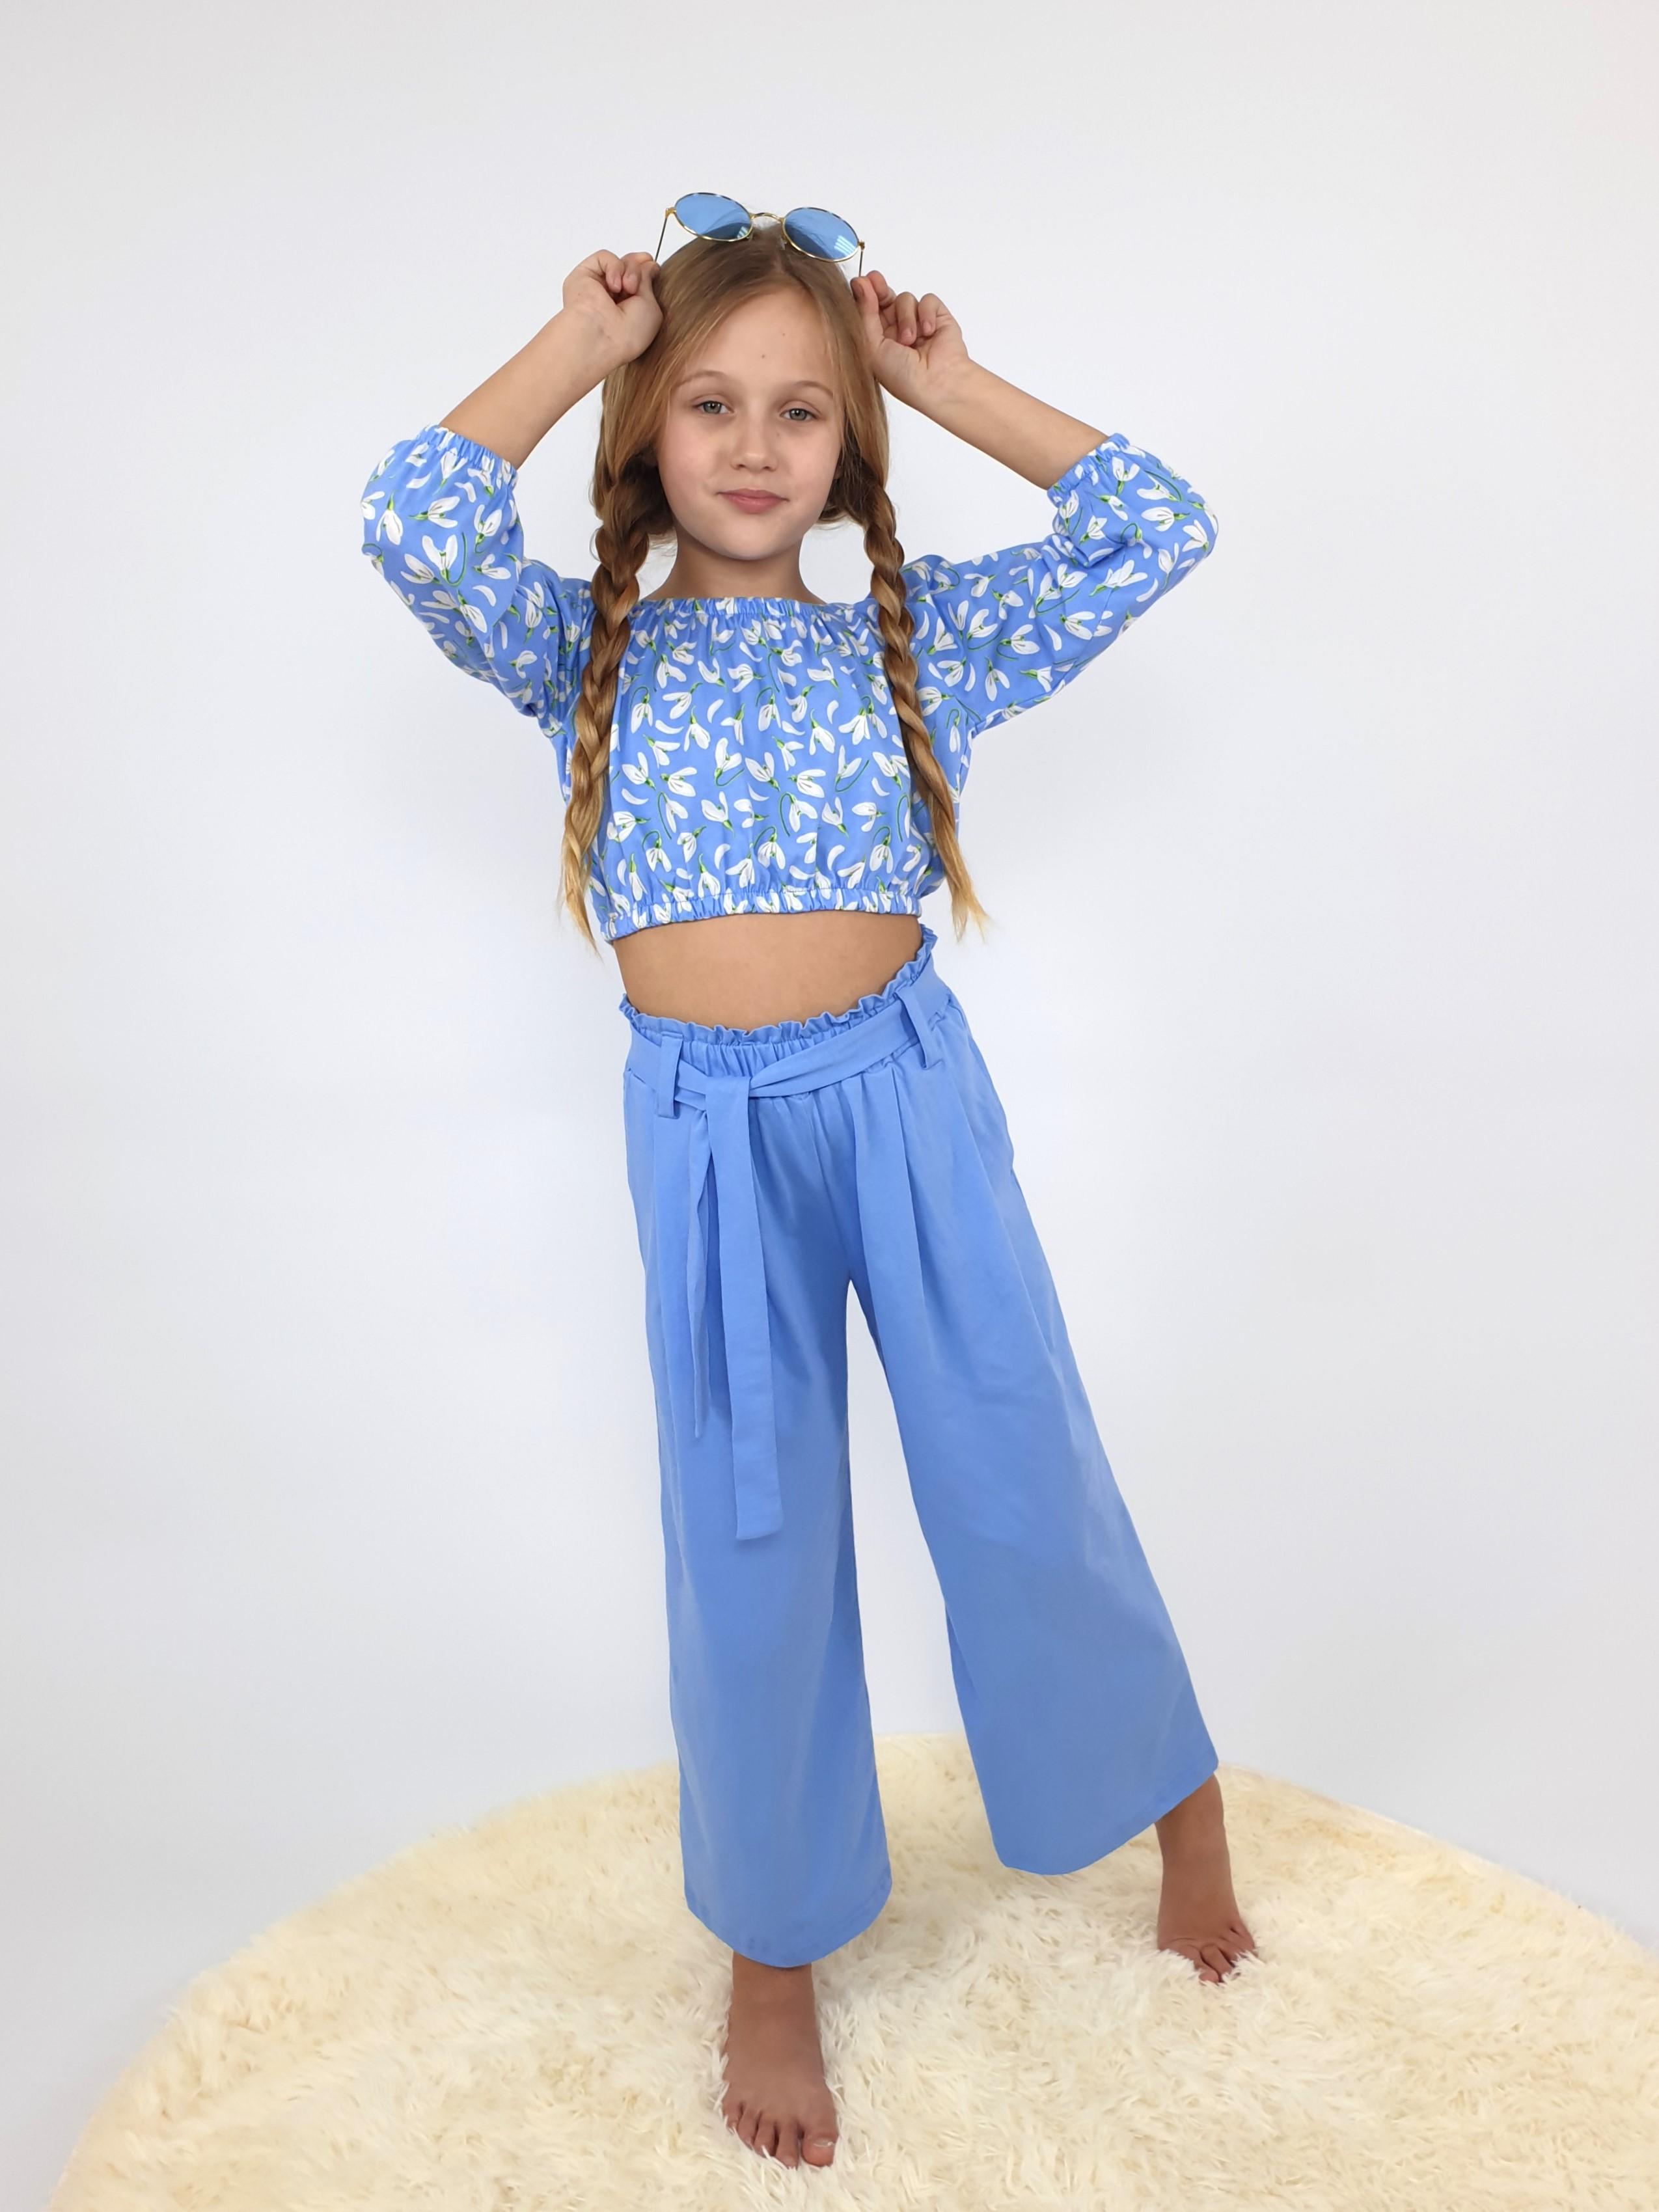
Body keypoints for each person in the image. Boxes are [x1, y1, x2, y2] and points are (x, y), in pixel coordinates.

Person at [359, 203, 1255, 2173]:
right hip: (703, 1132)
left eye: (801, 410)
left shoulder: (912, 649)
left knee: (1017, 1466)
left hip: (903, 1100)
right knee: (746, 1529)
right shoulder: (582, 652)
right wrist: (577, 345)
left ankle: (1171, 1791)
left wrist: (946, 380)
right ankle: (773, 1948)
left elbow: (1154, 525)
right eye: (708, 403)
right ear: (645, 429)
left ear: (851, 446)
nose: (755, 446)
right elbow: (414, 518)